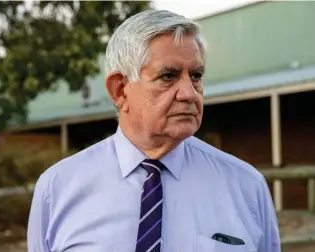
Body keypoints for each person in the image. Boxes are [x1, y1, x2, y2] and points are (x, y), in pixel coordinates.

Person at [27, 9, 280, 252]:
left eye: (196, 75)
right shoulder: (57, 189)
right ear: (120, 90)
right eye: (168, 76)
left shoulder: (246, 186)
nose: (190, 93)